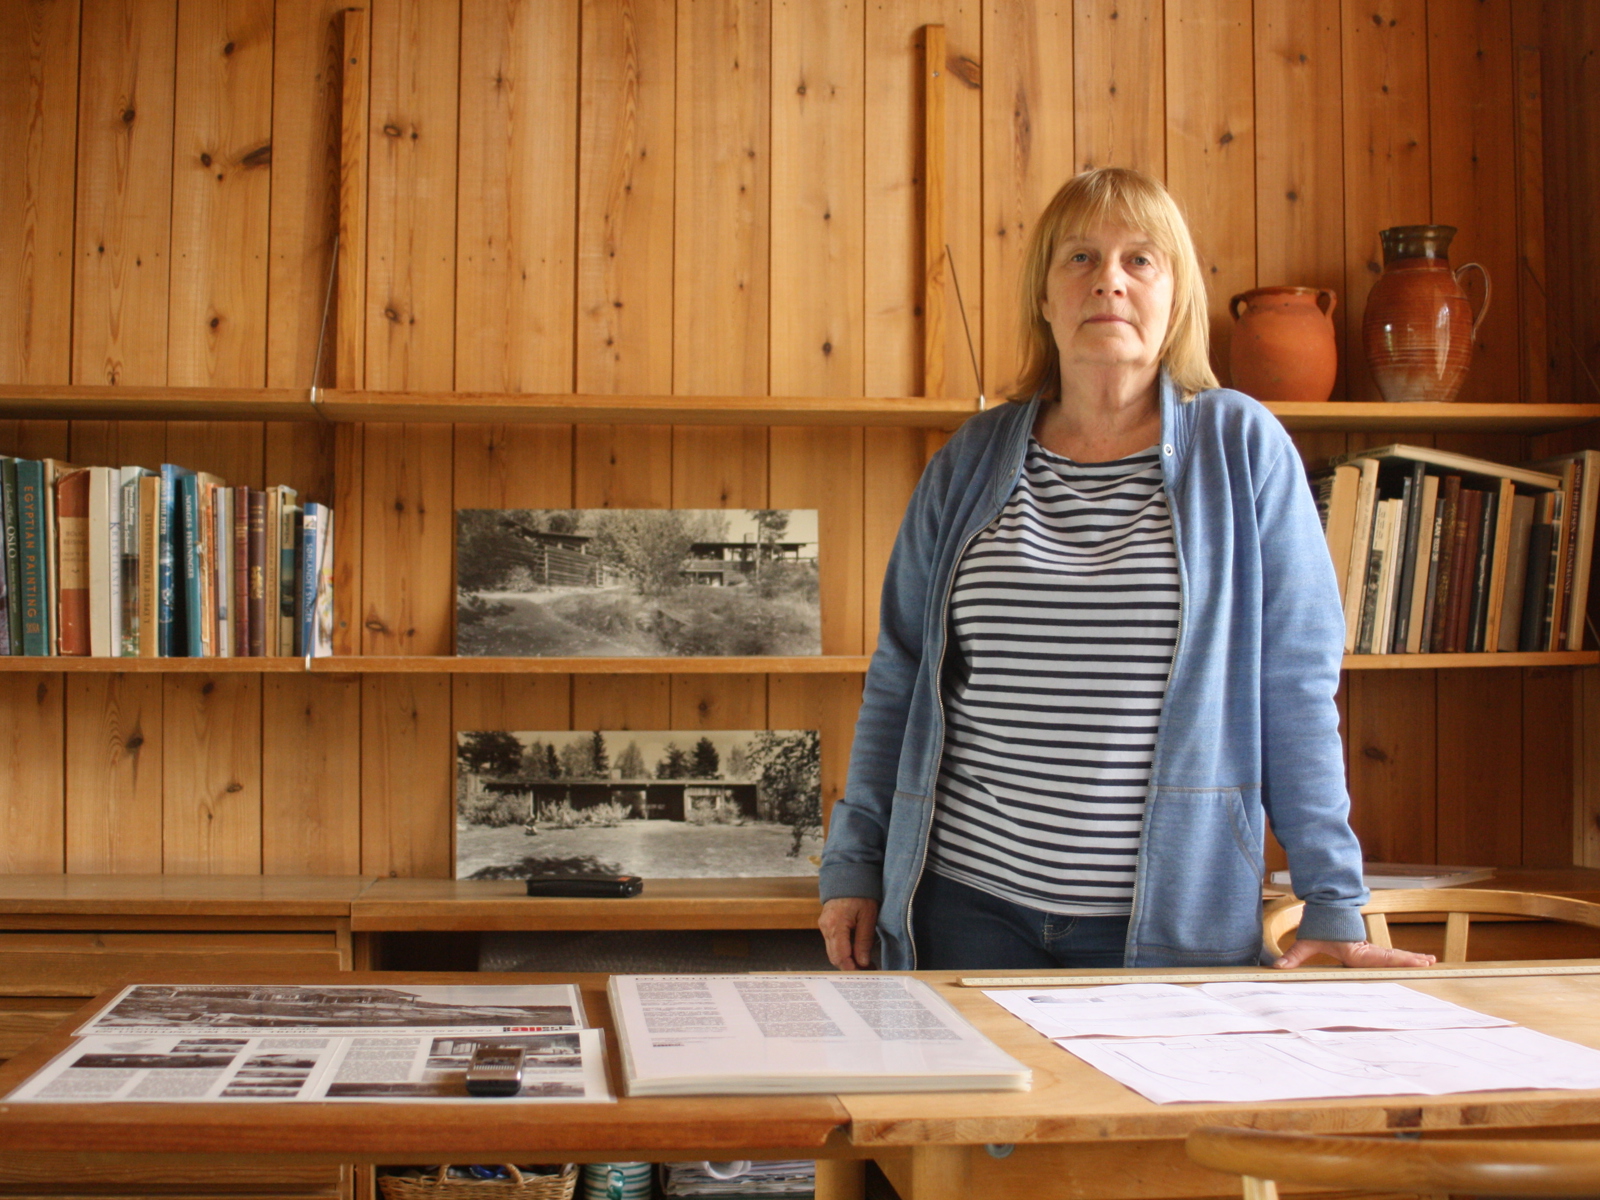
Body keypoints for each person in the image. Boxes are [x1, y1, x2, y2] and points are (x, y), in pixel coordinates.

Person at [817, 166, 1434, 973]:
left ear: (1175, 296)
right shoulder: (966, 463)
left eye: (1140, 259)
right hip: (962, 905)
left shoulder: (1243, 449)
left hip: (1173, 916)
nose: (1108, 280)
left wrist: (1332, 899)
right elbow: (898, 677)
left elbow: (1296, 687)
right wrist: (854, 863)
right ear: (1045, 295)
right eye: (1080, 257)